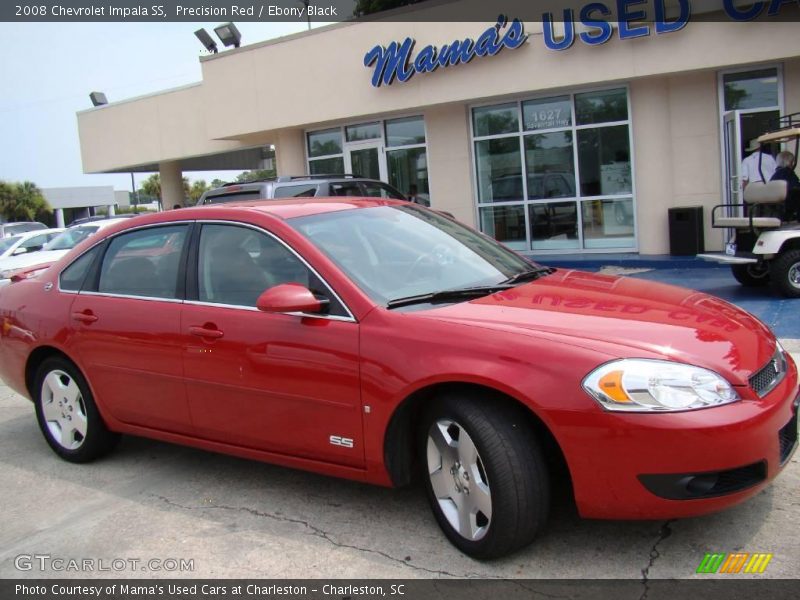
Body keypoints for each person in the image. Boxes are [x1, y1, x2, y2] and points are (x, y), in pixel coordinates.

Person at [771, 151, 800, 222]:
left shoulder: (776, 173)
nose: (792, 164)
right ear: (789, 162)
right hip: (786, 202)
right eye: (792, 162)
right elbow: (795, 186)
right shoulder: (788, 172)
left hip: (777, 202)